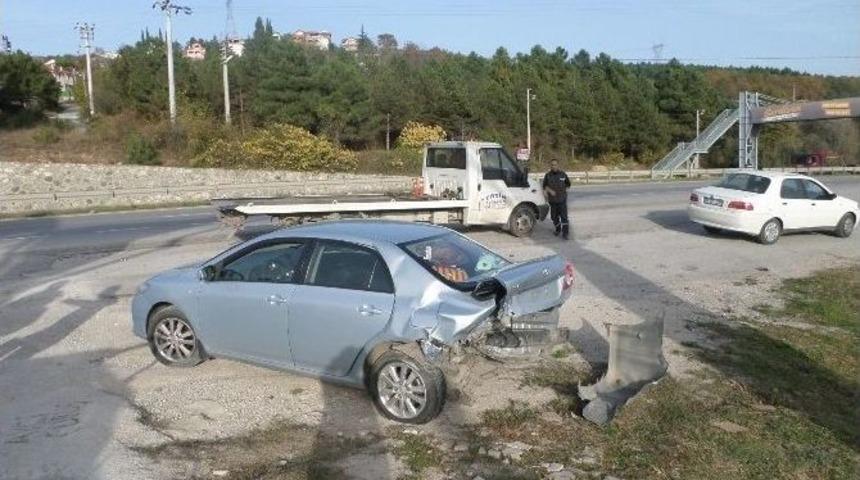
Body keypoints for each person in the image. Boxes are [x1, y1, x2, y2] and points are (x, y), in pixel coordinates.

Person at [542, 159, 572, 239]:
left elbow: (568, 184)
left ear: (558, 165)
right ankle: (558, 229)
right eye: (552, 165)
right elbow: (544, 186)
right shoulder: (548, 175)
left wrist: (565, 191)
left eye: (555, 164)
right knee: (554, 217)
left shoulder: (563, 174)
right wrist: (549, 191)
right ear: (550, 166)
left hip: (562, 200)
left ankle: (565, 233)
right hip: (553, 201)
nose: (554, 166)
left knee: (564, 217)